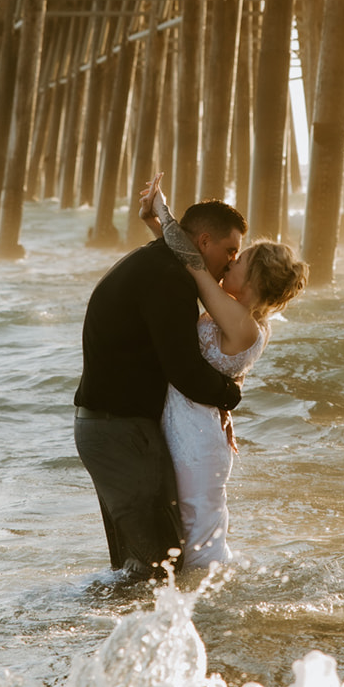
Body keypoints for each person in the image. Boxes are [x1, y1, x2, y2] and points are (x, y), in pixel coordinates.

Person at [139, 174, 308, 568]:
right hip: (191, 429)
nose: (230, 261)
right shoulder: (246, 321)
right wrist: (155, 222)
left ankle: (210, 612)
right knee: (188, 531)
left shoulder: (244, 322)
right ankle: (193, 606)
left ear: (254, 281)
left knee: (199, 536)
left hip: (196, 442)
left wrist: (162, 212)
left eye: (240, 260)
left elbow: (194, 266)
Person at [74, 198, 248, 578]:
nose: (232, 261)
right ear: (204, 242)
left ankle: (120, 631)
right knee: (159, 565)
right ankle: (125, 631)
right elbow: (184, 370)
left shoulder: (159, 263)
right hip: (118, 433)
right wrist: (232, 396)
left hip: (112, 429)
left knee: (139, 566)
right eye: (230, 249)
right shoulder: (167, 278)